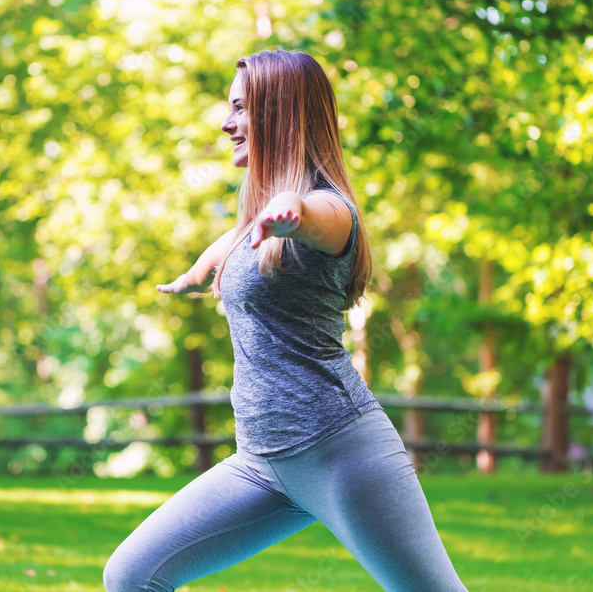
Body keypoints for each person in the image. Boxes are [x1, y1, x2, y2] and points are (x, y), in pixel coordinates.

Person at [103, 47, 469, 592]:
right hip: (261, 462)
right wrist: (201, 270)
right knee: (132, 575)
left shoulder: (328, 210)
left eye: (241, 109)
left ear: (280, 114)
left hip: (342, 453)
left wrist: (292, 209)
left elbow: (314, 215)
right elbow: (235, 239)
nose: (227, 123)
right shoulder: (255, 225)